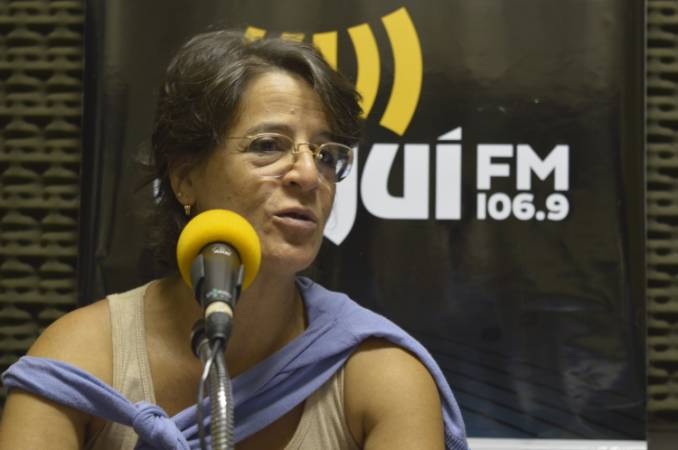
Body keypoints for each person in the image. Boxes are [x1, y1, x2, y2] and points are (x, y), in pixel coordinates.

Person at [0, 30, 468, 450]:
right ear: (184, 177)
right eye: (268, 146)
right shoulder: (80, 355)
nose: (310, 175)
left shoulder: (382, 374)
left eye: (327, 156)